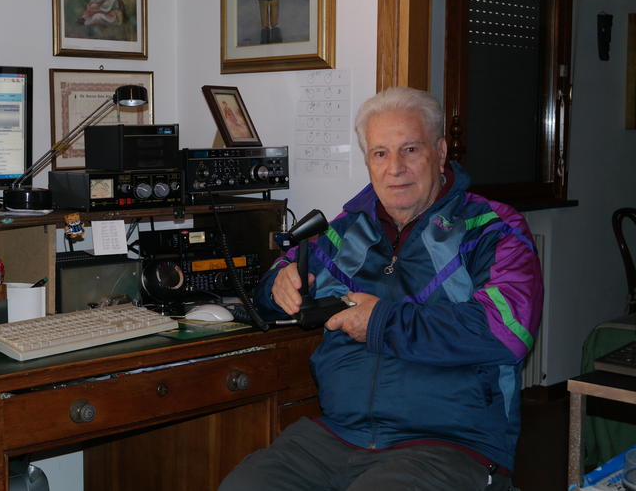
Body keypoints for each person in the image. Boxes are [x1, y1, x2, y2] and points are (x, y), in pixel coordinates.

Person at [218, 87, 544, 491]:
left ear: (440, 152)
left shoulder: (493, 228)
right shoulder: (345, 230)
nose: (395, 168)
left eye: (410, 150)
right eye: (380, 153)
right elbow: (275, 289)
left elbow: (507, 332)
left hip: (452, 441)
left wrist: (381, 322)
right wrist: (279, 282)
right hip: (338, 435)